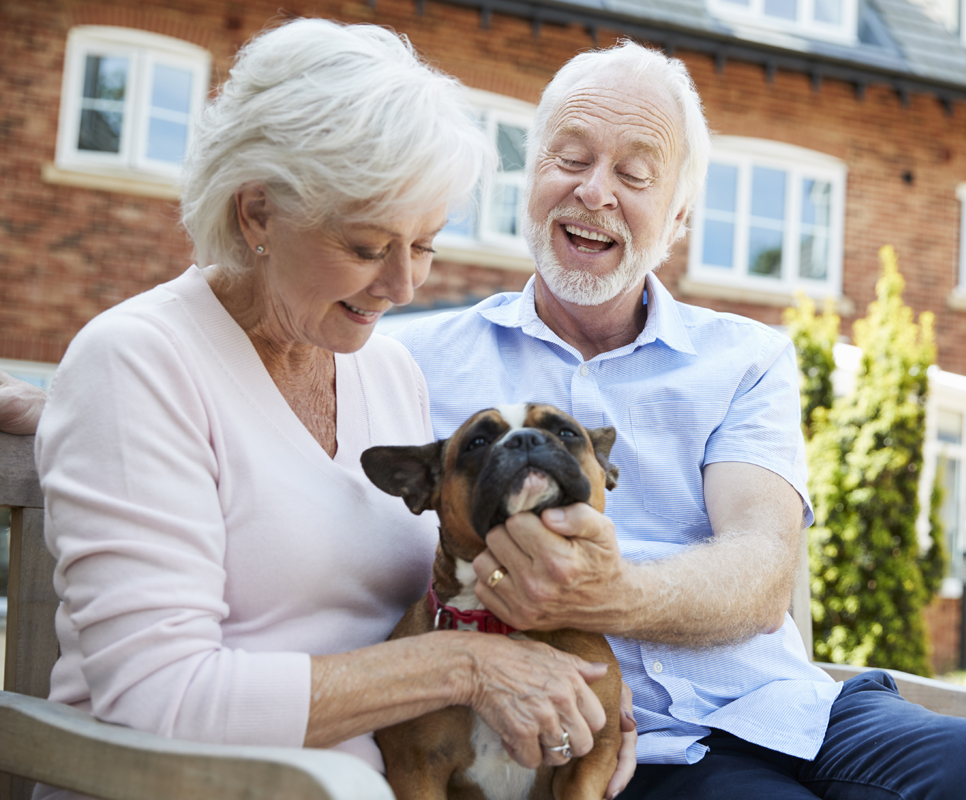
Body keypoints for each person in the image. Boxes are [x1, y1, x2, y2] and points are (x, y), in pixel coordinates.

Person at [394, 41, 966, 799]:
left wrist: (600, 596)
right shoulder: (410, 359)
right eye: (569, 159)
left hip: (786, 706)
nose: (595, 192)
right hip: (619, 746)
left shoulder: (746, 358)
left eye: (635, 175)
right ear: (530, 177)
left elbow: (763, 566)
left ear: (677, 218)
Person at [22, 19, 635, 800]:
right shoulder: (136, 361)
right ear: (257, 214)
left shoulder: (385, 369)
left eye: (426, 246)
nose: (404, 286)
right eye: (369, 246)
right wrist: (472, 668)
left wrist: (574, 718)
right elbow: (161, 701)